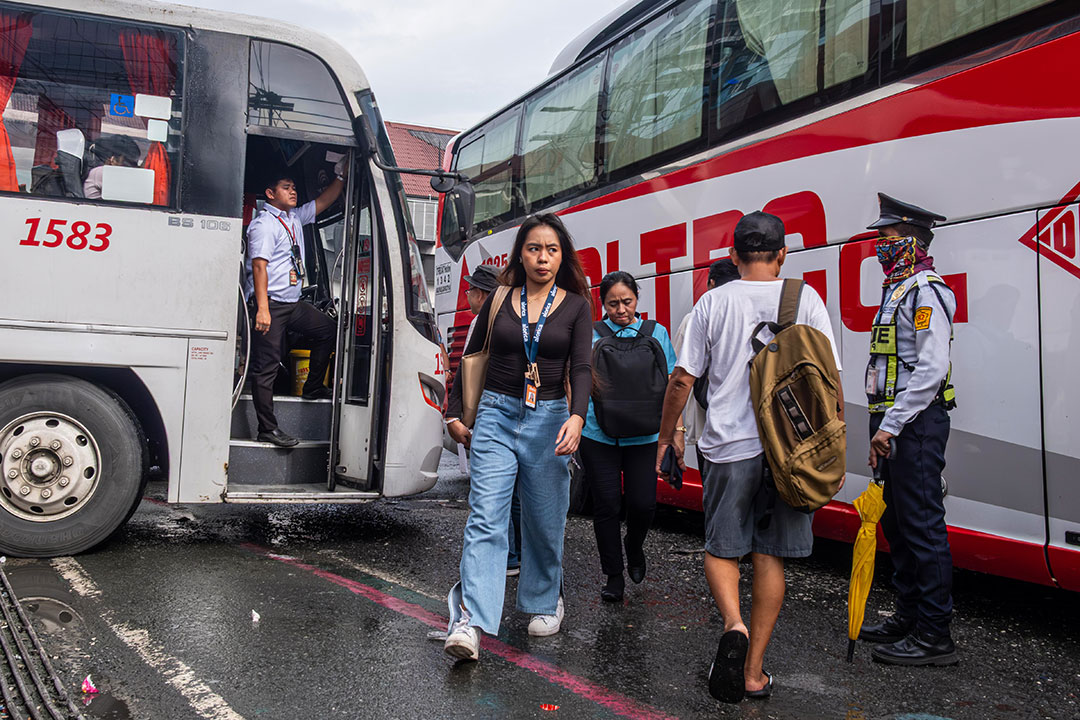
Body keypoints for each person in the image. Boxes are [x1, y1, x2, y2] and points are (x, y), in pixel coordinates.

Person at [655, 211, 841, 702]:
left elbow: (682, 380)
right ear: (782, 254)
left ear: (733, 256)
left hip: (728, 447)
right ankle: (754, 672)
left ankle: (732, 625)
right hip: (789, 455)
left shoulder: (713, 302)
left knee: (722, 548)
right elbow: (830, 382)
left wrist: (666, 434)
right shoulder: (807, 300)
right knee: (770, 554)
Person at [442, 213, 593, 662]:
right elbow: (471, 356)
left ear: (562, 254)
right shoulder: (501, 298)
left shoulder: (576, 306)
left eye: (551, 249)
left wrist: (578, 417)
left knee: (545, 522)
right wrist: (453, 411)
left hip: (549, 418)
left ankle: (546, 600)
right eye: (533, 248)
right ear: (520, 254)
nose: (542, 258)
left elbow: (582, 367)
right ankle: (469, 620)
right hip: (495, 414)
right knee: (486, 517)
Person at [859, 193, 959, 666]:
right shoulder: (898, 289)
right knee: (897, 524)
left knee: (922, 527)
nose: (879, 245)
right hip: (894, 422)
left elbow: (931, 370)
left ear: (912, 243)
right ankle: (909, 616)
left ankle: (935, 635)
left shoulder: (926, 291)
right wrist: (881, 425)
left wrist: (891, 426)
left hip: (915, 424)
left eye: (887, 237)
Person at [580, 271, 676, 602]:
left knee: (643, 504)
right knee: (606, 505)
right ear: (601, 304)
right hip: (597, 432)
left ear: (637, 297)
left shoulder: (657, 333)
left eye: (627, 301)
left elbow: (672, 385)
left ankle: (634, 546)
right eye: (612, 304)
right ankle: (614, 575)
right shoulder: (590, 335)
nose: (621, 310)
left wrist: (675, 431)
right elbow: (578, 381)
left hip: (645, 435)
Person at [244, 168, 346, 447]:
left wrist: (339, 174)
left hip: (292, 304)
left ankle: (312, 387)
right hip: (272, 305)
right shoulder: (264, 224)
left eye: (294, 187)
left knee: (327, 329)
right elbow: (258, 266)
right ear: (270, 194)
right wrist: (262, 309)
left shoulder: (294, 219)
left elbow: (324, 201)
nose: (293, 191)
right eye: (286, 187)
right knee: (266, 367)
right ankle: (267, 428)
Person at [451, 262, 523, 578]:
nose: (467, 295)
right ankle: (516, 554)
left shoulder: (485, 320)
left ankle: (505, 556)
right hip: (517, 414)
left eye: (469, 289)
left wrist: (458, 417)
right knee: (517, 492)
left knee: (492, 490)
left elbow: (468, 373)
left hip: (487, 416)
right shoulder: (517, 317)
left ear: (481, 293)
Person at [673, 258, 741, 471]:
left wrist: (675, 432)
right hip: (746, 429)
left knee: (714, 496)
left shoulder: (694, 319)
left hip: (708, 428)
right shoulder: (751, 318)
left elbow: (678, 379)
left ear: (710, 283)